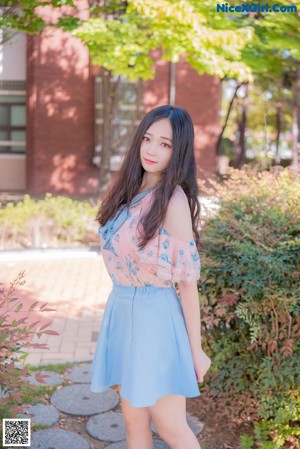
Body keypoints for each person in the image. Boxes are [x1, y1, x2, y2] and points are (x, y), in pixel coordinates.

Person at [89, 104, 211, 449]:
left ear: (179, 152)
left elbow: (187, 284)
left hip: (156, 320)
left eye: (165, 144)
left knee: (172, 428)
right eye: (148, 139)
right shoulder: (127, 191)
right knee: (133, 422)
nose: (152, 150)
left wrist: (196, 350)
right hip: (123, 313)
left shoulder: (172, 202)